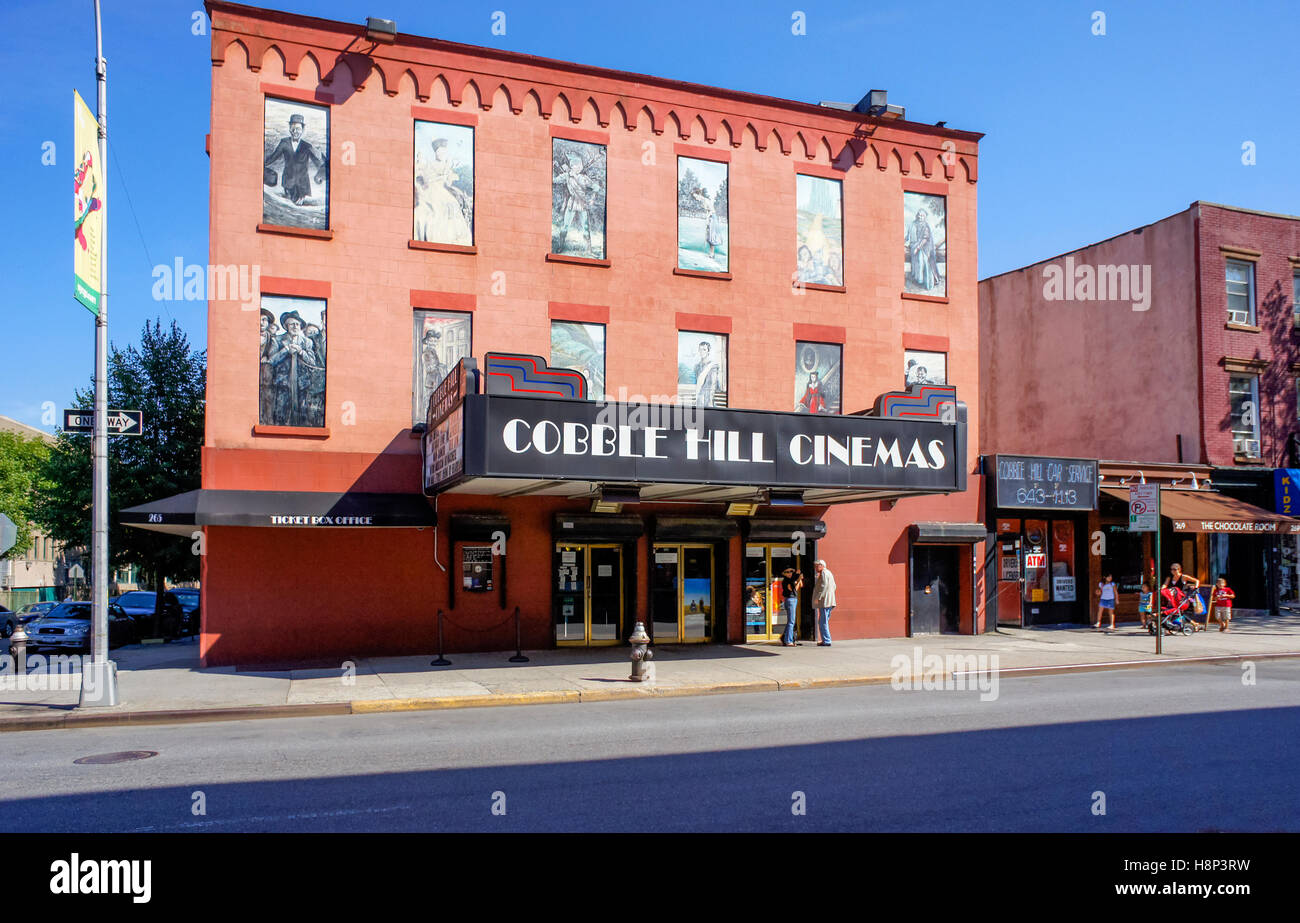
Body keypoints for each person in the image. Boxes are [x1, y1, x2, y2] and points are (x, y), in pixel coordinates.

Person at [414, 137, 473, 245]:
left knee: (453, 203)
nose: (441, 154)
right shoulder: (430, 164)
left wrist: (449, 177)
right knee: (438, 206)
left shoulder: (447, 165)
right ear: (435, 153)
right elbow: (427, 178)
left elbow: (449, 180)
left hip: (444, 188)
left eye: (443, 152)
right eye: (439, 152)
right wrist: (436, 178)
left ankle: (455, 234)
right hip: (433, 189)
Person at [264, 112, 327, 205]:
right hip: (288, 183)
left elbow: (318, 163)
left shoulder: (307, 146)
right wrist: (260, 164)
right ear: (289, 128)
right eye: (292, 128)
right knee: (288, 208)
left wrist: (322, 175)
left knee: (298, 210)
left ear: (303, 129)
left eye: (298, 129)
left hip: (303, 187)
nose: (295, 131)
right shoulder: (284, 143)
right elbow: (272, 157)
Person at [1163, 563, 1202, 628]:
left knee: (1177, 610)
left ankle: (1192, 623)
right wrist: (1162, 588)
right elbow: (1165, 585)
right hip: (1172, 597)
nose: (1173, 571)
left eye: (1175, 569)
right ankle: (1193, 623)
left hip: (1181, 597)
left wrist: (1196, 587)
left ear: (1179, 569)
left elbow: (1196, 581)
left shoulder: (1183, 577)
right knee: (1176, 611)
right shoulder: (1169, 578)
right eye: (1171, 569)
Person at [812, 559, 836, 646]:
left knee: (823, 622)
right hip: (829, 601)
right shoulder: (828, 573)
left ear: (821, 566)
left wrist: (818, 597)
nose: (815, 568)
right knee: (823, 621)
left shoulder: (824, 573)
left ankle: (826, 640)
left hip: (825, 602)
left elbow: (824, 586)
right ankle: (825, 640)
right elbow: (834, 586)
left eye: (816, 566)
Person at [779, 566, 804, 646]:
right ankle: (788, 641)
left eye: (791, 571)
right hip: (790, 600)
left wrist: (799, 579)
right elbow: (792, 589)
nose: (790, 573)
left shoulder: (790, 580)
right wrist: (797, 577)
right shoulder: (786, 581)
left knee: (791, 620)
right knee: (791, 621)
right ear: (784, 573)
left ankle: (784, 637)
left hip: (792, 599)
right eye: (788, 572)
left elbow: (797, 588)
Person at [694, 340, 721, 407]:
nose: (702, 352)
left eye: (704, 350)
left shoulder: (713, 366)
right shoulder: (697, 366)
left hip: (707, 400)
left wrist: (708, 404)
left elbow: (712, 386)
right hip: (699, 398)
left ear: (708, 351)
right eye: (700, 349)